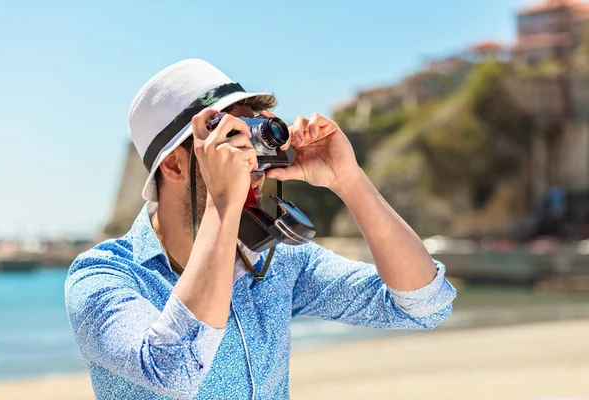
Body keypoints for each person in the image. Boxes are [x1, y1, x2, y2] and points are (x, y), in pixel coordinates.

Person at [65, 59, 457, 400]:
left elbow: (424, 305)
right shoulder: (103, 277)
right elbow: (175, 368)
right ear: (174, 166)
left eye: (251, 139)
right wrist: (224, 203)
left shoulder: (276, 262)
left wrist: (350, 181)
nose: (252, 164)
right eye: (230, 142)